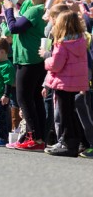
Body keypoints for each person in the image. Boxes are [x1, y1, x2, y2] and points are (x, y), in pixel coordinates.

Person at [3, 0, 48, 151]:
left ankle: (35, 137)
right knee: (34, 98)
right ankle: (38, 137)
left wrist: (8, 9)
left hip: (29, 59)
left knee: (23, 98)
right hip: (32, 58)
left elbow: (15, 28)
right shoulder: (38, 8)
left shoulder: (36, 9)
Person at [43, 10, 90, 157]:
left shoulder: (62, 44)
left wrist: (46, 58)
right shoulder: (80, 41)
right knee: (71, 113)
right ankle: (75, 142)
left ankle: (67, 144)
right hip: (76, 83)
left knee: (64, 115)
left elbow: (56, 65)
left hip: (63, 82)